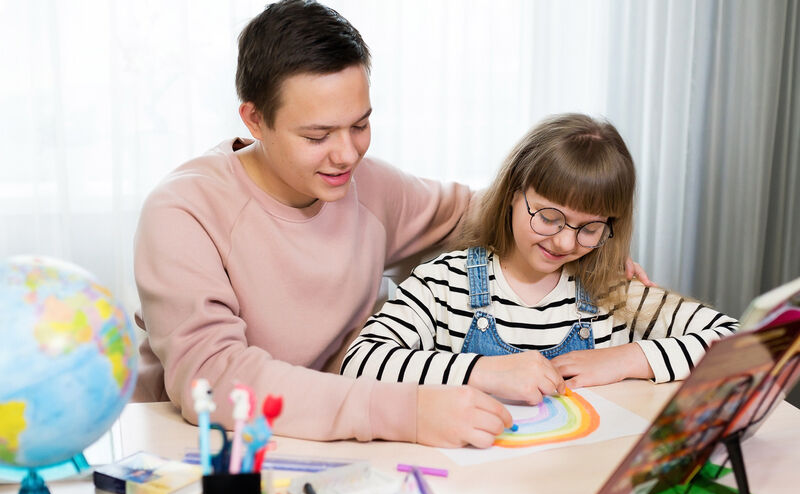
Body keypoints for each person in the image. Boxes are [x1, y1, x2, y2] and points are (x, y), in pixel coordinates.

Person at [133, 1, 649, 449]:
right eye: (317, 135)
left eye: (360, 124)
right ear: (253, 120)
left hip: (339, 443)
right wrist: (409, 410)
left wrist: (574, 235)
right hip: (207, 446)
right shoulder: (183, 212)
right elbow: (217, 378)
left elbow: (483, 210)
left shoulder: (368, 185)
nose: (346, 153)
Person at [341, 114, 739, 418]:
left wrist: (626, 358)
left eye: (589, 228)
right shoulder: (445, 283)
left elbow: (741, 341)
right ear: (514, 194)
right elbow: (359, 362)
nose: (565, 242)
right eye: (549, 217)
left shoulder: (612, 291)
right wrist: (484, 372)